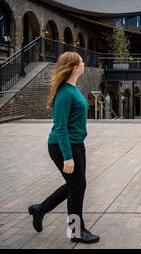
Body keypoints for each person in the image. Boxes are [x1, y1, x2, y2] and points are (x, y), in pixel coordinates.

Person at [28, 52, 100, 243]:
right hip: (63, 146)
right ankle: (76, 231)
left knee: (75, 185)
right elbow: (60, 127)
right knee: (77, 186)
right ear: (75, 67)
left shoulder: (73, 88)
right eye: (81, 61)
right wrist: (68, 156)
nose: (84, 63)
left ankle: (40, 209)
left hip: (76, 143)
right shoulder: (65, 93)